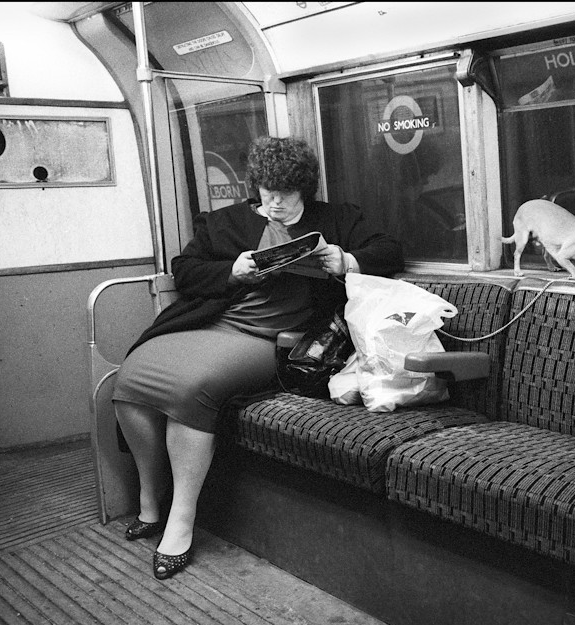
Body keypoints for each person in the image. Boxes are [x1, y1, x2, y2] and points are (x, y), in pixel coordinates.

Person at [112, 136, 405, 580]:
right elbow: (185, 269)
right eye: (267, 195)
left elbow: (389, 250)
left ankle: (181, 520)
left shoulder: (337, 219)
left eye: (285, 197)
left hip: (275, 338)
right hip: (212, 323)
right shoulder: (224, 223)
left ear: (304, 190)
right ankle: (151, 501)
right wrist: (232, 271)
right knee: (130, 381)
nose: (275, 206)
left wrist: (344, 260)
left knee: (193, 389)